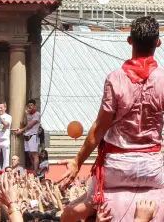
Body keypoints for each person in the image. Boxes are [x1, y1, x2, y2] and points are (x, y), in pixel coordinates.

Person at [59, 16, 164, 222]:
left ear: (129, 41)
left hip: (116, 167)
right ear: (158, 43)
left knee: (68, 215)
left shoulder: (115, 78)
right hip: (152, 168)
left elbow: (99, 129)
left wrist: (77, 162)